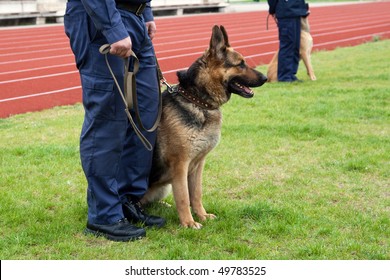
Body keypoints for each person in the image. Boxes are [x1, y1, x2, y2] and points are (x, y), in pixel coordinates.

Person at [64, 0, 165, 242]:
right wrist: (113, 28)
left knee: (146, 114)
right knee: (107, 121)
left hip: (135, 18)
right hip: (101, 20)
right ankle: (104, 214)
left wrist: (146, 11)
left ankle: (127, 199)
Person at [267, 0, 309, 82]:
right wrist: (272, 10)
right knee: (288, 45)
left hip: (296, 12)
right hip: (286, 13)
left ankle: (291, 74)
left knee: (295, 46)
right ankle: (284, 76)